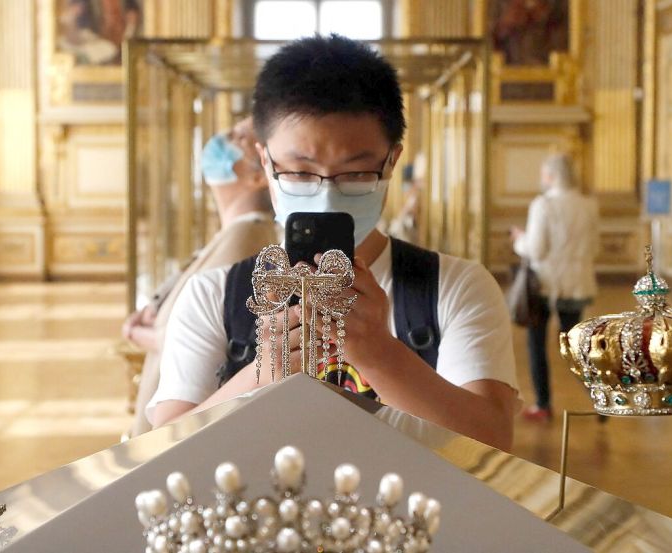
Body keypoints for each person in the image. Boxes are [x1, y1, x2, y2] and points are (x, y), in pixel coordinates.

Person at [147, 35, 519, 451]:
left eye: (356, 174)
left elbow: (494, 442)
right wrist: (264, 372)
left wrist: (379, 353)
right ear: (265, 161)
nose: (326, 195)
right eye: (300, 173)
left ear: (391, 161)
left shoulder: (455, 287)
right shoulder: (215, 295)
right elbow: (164, 449)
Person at [125, 117, 279, 436]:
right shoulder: (236, 232)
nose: (223, 136)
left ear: (257, 174)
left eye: (238, 138)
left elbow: (215, 329)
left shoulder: (246, 240)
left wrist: (147, 335)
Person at [510, 153, 599, 422]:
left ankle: (543, 404)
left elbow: (536, 249)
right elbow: (595, 247)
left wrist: (519, 240)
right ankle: (601, 396)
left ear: (549, 176)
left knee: (536, 345)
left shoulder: (543, 205)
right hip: (577, 284)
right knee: (575, 346)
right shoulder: (589, 205)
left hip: (545, 285)